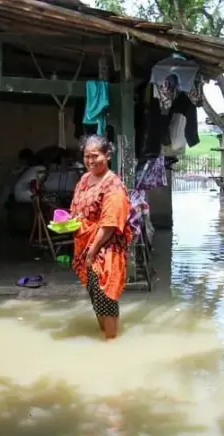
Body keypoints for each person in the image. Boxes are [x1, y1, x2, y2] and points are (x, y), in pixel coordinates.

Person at [69, 135, 132, 339]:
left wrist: (92, 252)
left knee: (107, 298)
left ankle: (111, 342)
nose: (90, 161)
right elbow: (77, 209)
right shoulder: (84, 180)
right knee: (96, 297)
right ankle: (103, 334)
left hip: (106, 250)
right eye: (86, 156)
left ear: (107, 155)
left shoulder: (113, 185)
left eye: (95, 156)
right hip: (85, 246)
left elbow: (109, 224)